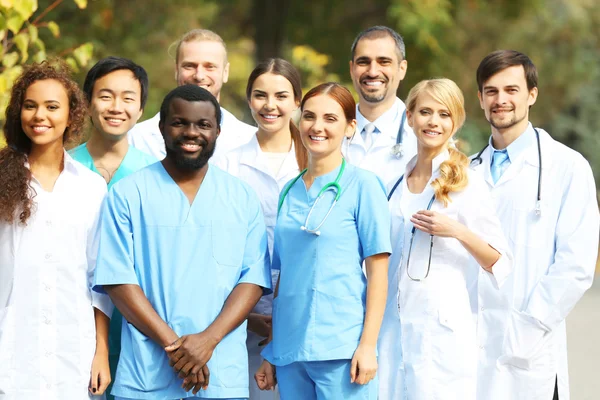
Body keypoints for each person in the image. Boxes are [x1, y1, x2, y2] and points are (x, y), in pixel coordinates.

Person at [93, 84, 272, 400]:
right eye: (180, 123)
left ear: (217, 130)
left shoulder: (241, 197)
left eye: (203, 125)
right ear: (162, 127)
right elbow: (118, 281)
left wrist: (207, 342)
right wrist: (177, 349)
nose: (192, 132)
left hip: (221, 375)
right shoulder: (128, 194)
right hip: (148, 375)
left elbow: (253, 280)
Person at [471, 50, 599, 400]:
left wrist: (525, 329)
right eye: (491, 91)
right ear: (480, 99)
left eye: (511, 90)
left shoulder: (567, 168)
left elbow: (575, 266)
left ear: (532, 94)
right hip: (470, 355)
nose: (501, 100)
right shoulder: (465, 172)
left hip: (530, 354)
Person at [255, 83, 391, 400]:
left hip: (342, 350)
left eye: (330, 118)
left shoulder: (364, 186)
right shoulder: (288, 191)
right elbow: (284, 278)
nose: (317, 127)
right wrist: (272, 348)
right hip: (290, 352)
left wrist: (368, 345)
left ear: (350, 127)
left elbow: (378, 274)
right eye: (309, 116)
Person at [380, 78, 512, 400]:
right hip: (392, 325)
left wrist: (456, 231)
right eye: (425, 111)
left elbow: (500, 261)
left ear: (455, 122)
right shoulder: (395, 181)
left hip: (440, 330)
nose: (433, 122)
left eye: (444, 114)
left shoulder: (468, 182)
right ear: (409, 117)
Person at [0, 60, 112, 398]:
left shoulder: (91, 187)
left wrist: (101, 351)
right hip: (12, 346)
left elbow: (99, 276)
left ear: (72, 114)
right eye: (30, 106)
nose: (39, 116)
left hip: (73, 351)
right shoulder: (2, 177)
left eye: (52, 107)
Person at [213, 57, 306, 400]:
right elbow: (217, 246)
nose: (270, 105)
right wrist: (247, 314)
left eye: (281, 96)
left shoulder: (316, 160)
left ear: (297, 101)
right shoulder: (226, 163)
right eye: (260, 95)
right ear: (249, 100)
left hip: (305, 314)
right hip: (242, 316)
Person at [69, 56, 157, 400]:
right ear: (88, 102)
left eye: (128, 98)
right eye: (105, 96)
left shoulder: (157, 176)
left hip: (142, 328)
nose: (116, 107)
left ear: (140, 109)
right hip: (75, 321)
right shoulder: (64, 168)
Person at [128, 29, 256, 160]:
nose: (199, 76)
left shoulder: (250, 140)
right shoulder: (136, 139)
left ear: (225, 72)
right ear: (176, 70)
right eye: (189, 66)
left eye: (210, 66)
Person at [344, 25, 417, 186]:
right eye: (363, 62)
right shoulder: (330, 130)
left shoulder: (424, 133)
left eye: (384, 62)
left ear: (402, 68)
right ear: (351, 69)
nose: (372, 72)